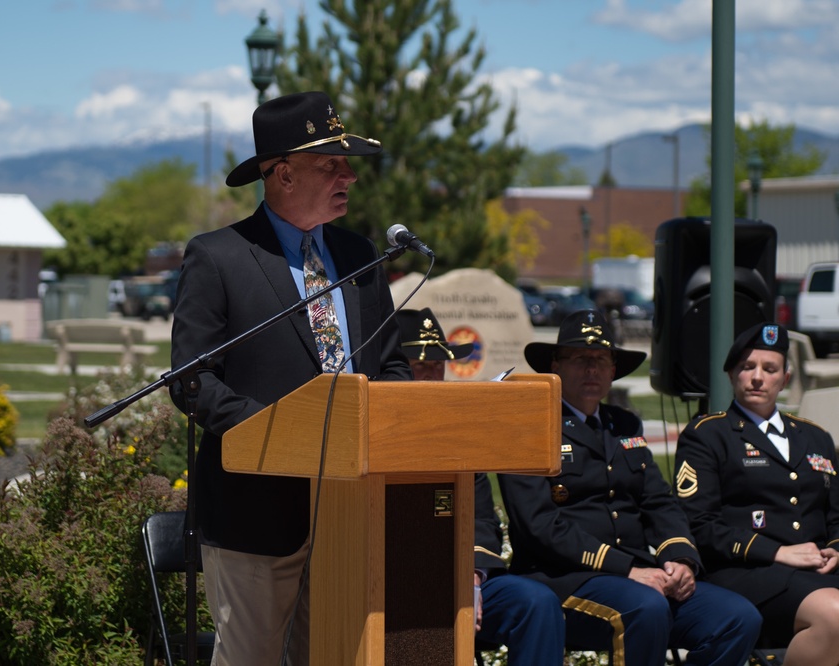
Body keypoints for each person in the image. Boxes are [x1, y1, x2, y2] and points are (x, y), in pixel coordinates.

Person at [169, 91, 412, 666]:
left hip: (354, 508)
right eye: (331, 164)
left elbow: (393, 366)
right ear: (281, 173)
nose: (349, 175)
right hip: (256, 510)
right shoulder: (219, 256)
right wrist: (278, 433)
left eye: (347, 163)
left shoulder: (361, 257)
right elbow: (191, 379)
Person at [495, 309, 761, 666]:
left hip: (638, 577)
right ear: (555, 367)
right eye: (580, 359)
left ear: (613, 371)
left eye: (602, 360)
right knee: (645, 608)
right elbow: (538, 525)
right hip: (561, 581)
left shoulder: (623, 424)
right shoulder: (527, 427)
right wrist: (626, 569)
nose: (592, 369)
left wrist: (679, 558)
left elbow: (658, 502)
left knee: (736, 618)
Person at [395, 307, 566, 665]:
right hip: (397, 575)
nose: (430, 376)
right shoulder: (380, 435)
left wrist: (471, 577)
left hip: (463, 572)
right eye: (419, 365)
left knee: (535, 603)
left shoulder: (461, 433)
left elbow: (483, 522)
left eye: (437, 366)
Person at [675, 322, 839, 665]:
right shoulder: (708, 435)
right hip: (748, 572)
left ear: (786, 378)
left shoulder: (816, 438)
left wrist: (836, 551)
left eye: (769, 369)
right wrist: (779, 552)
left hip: (817, 572)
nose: (757, 378)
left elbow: (836, 516)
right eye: (747, 367)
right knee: (835, 614)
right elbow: (699, 524)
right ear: (732, 374)